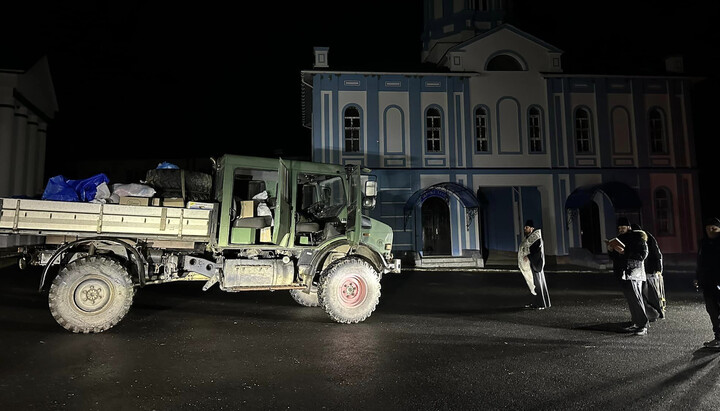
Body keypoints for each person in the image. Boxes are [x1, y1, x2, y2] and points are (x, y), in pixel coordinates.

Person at [608, 217, 649, 336]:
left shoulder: (637, 238)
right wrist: (611, 250)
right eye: (619, 228)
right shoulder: (619, 239)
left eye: (623, 227)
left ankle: (643, 325)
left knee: (636, 299)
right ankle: (636, 323)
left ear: (629, 227)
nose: (621, 230)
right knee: (631, 299)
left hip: (634, 273)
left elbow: (642, 255)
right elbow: (614, 258)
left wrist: (624, 252)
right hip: (623, 273)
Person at [631, 223, 665, 320]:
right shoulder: (645, 237)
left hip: (649, 271)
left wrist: (658, 269)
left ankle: (656, 313)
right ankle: (655, 313)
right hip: (646, 271)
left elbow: (655, 254)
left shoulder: (646, 238)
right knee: (651, 294)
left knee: (651, 294)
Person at [695, 217, 720, 349]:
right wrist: (697, 277)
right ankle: (718, 338)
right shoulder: (703, 243)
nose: (710, 231)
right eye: (708, 228)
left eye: (714, 228)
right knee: (712, 310)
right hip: (708, 283)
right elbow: (700, 262)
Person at [518, 220, 550, 309]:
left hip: (536, 264)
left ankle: (542, 304)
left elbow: (537, 252)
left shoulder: (536, 238)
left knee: (538, 284)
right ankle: (535, 303)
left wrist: (529, 257)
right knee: (532, 284)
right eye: (525, 227)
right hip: (531, 264)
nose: (525, 229)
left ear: (532, 228)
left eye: (527, 227)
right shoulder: (528, 238)